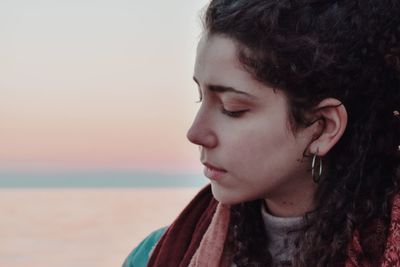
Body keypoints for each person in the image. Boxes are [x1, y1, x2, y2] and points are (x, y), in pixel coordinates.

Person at [123, 0, 400, 266]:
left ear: (323, 127)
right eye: (200, 97)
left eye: (232, 108)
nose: (196, 133)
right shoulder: (156, 256)